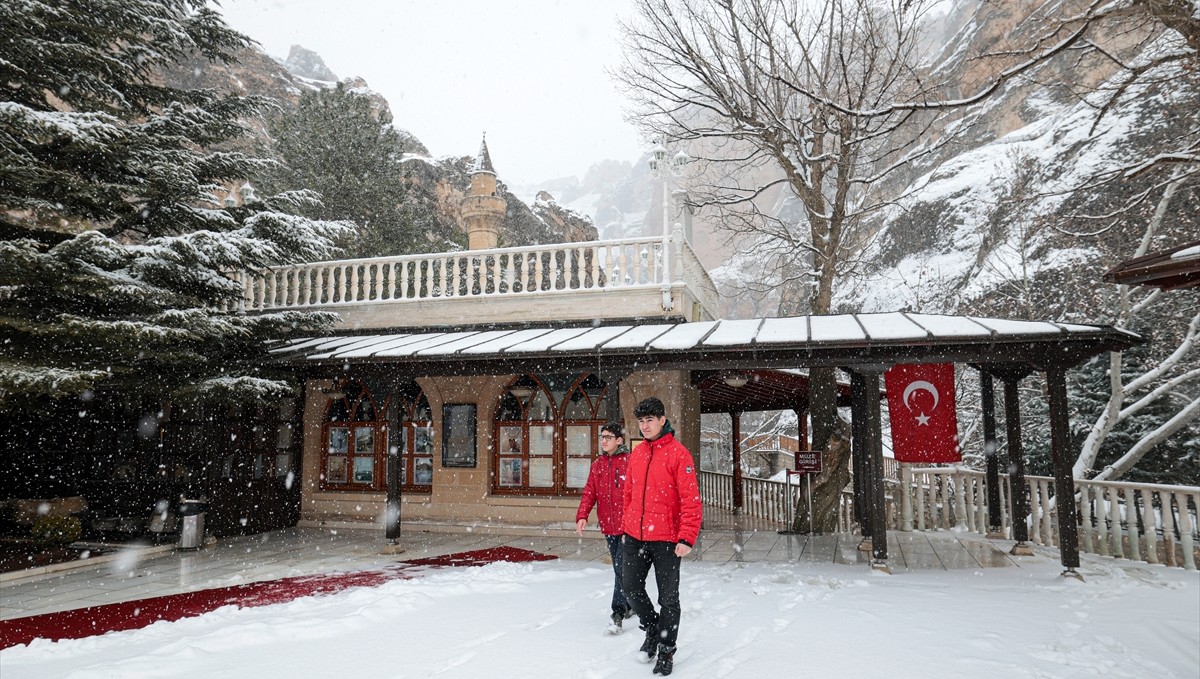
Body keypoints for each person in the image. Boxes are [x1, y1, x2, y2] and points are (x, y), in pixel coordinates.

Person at [621, 397, 702, 677]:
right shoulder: (638, 454)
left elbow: (691, 500)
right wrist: (626, 524)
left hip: (667, 539)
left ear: (662, 421)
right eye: (641, 421)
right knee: (630, 588)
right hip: (634, 536)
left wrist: (686, 537)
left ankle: (666, 651)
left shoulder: (680, 455)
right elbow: (629, 494)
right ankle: (653, 628)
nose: (645, 426)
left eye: (649, 420)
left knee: (668, 598)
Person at [574, 422, 633, 633]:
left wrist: (632, 524)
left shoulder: (630, 462)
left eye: (608, 437)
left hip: (627, 528)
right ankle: (630, 605)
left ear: (619, 440)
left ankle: (617, 613)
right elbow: (590, 491)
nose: (604, 440)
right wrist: (582, 515)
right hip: (608, 526)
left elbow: (636, 496)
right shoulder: (598, 464)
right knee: (622, 569)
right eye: (602, 437)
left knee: (621, 569)